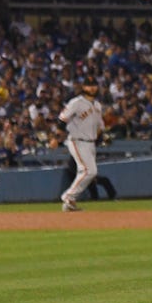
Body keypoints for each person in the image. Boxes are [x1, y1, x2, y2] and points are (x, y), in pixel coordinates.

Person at [59, 79, 106, 212]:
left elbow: (100, 126)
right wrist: (56, 138)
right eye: (89, 85)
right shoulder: (76, 102)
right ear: (83, 87)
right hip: (77, 140)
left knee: (87, 172)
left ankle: (70, 204)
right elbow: (62, 119)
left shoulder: (97, 105)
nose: (92, 88)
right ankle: (68, 196)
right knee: (89, 171)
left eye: (94, 85)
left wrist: (99, 136)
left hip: (90, 143)